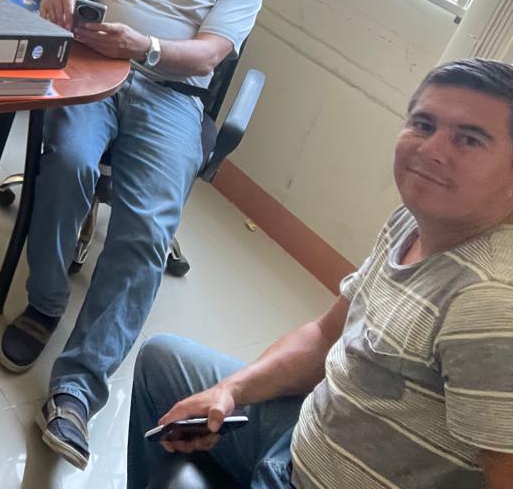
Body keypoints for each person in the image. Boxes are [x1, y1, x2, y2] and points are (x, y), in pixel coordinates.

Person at [128, 58, 513, 489]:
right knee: (161, 361)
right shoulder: (411, 220)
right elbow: (324, 336)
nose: (431, 150)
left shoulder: (490, 303)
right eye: (423, 125)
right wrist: (230, 391)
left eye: (469, 139)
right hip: (304, 432)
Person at [0, 0, 265, 470]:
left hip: (172, 96)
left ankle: (76, 388)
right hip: (94, 73)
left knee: (145, 228)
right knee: (67, 163)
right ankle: (45, 300)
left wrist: (146, 46)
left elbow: (208, 54)